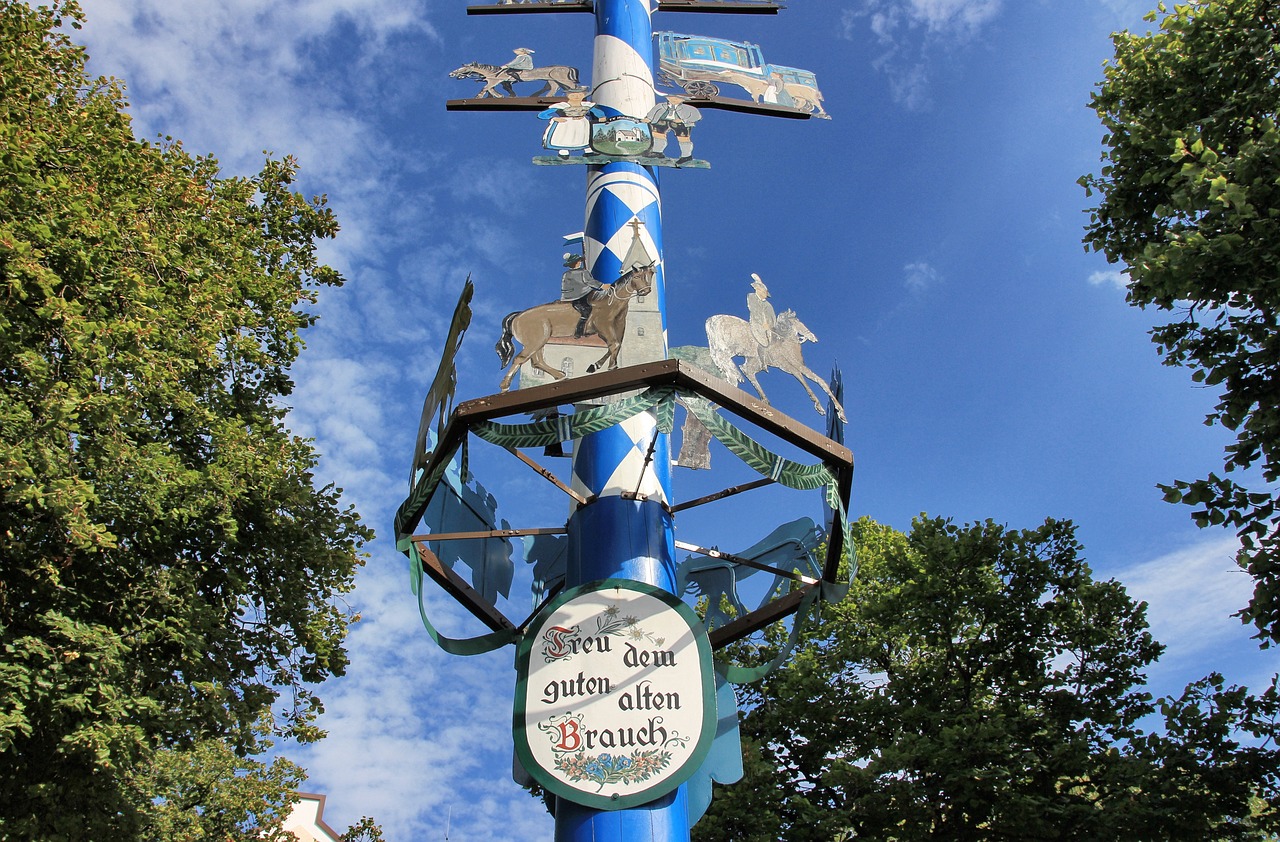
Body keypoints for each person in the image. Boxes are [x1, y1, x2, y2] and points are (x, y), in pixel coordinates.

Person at [538, 88, 602, 157]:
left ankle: (588, 151)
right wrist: (553, 118)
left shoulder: (586, 105)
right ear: (568, 96)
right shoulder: (562, 106)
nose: (577, 97)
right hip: (566, 124)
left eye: (580, 95)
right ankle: (564, 152)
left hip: (581, 123)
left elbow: (597, 111)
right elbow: (542, 115)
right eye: (573, 95)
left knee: (584, 136)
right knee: (566, 137)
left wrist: (601, 116)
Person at [643, 92, 702, 165]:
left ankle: (686, 156)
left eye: (678, 98)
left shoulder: (688, 108)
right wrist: (648, 118)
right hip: (662, 121)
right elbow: (652, 113)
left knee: (683, 139)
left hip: (680, 124)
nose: (674, 99)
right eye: (671, 97)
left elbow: (697, 116)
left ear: (682, 100)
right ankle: (657, 152)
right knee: (658, 136)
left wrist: (683, 120)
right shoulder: (660, 106)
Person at [560, 252, 602, 337]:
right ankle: (579, 332)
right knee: (587, 311)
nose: (579, 262)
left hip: (568, 297)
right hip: (581, 296)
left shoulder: (566, 274)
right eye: (578, 261)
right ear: (575, 263)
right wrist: (602, 285)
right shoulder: (583, 272)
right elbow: (590, 282)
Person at [747, 273, 776, 356]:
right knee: (763, 342)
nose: (764, 294)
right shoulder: (751, 297)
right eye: (762, 291)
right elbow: (754, 311)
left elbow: (772, 318)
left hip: (767, 328)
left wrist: (769, 325)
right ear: (757, 290)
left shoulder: (768, 305)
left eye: (765, 292)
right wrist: (761, 323)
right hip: (757, 324)